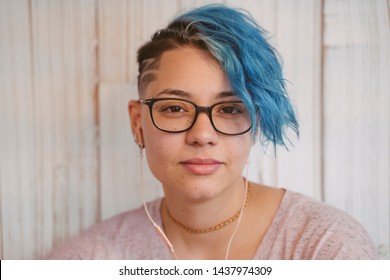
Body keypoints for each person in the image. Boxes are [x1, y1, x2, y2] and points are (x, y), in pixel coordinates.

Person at [46, 4, 377, 260]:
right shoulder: (85, 260)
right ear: (138, 123)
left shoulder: (327, 248)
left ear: (256, 121)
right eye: (175, 108)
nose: (202, 135)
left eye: (230, 108)